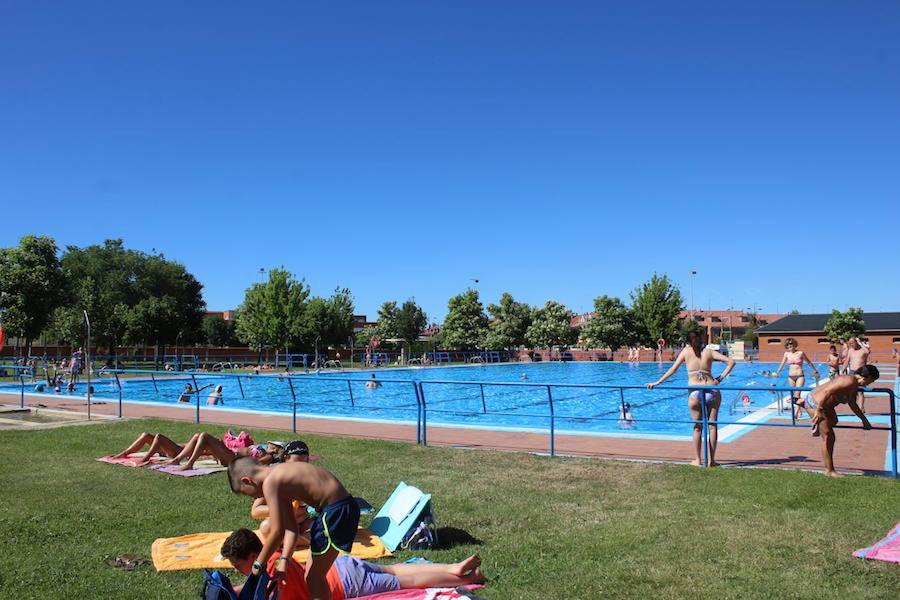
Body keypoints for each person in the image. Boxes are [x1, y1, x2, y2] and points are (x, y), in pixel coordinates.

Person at [220, 528, 485, 600]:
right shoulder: (273, 559)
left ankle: (468, 578)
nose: (235, 570)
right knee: (396, 569)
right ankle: (451, 567)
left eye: (236, 564)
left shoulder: (274, 576)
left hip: (347, 584)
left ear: (252, 558)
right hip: (340, 567)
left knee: (407, 581)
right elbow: (251, 585)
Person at [227, 457, 360, 600]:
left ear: (247, 481)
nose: (253, 498)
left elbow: (277, 532)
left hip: (336, 511)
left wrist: (258, 564)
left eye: (246, 493)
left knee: (314, 578)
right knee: (313, 577)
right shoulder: (278, 475)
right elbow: (290, 529)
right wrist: (284, 562)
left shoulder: (270, 482)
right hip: (339, 508)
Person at [646, 330, 736, 466]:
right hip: (712, 390)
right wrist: (719, 378)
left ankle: (698, 460)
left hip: (695, 392)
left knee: (697, 427)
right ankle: (712, 461)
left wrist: (658, 382)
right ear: (701, 339)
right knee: (712, 427)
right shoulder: (709, 352)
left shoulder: (686, 352)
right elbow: (731, 362)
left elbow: (673, 370)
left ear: (688, 341)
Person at [793, 365, 878, 477]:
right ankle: (829, 470)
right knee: (828, 436)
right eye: (872, 381)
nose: (870, 384)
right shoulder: (848, 380)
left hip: (827, 407)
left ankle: (814, 420)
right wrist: (818, 410)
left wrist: (864, 419)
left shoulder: (854, 385)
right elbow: (827, 391)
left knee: (834, 421)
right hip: (817, 404)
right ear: (867, 377)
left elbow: (852, 404)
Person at [252, 441, 313, 542]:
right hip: (281, 523)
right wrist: (283, 507)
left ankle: (294, 540)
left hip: (304, 522)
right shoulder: (274, 478)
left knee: (325, 527)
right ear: (286, 458)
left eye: (304, 464)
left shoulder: (310, 478)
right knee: (266, 527)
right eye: (296, 463)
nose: (300, 468)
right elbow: (255, 511)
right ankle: (301, 541)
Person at [773, 338, 820, 419]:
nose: (789, 345)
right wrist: (777, 372)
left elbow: (808, 362)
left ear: (795, 344)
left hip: (800, 376)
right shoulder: (786, 354)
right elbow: (782, 363)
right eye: (788, 344)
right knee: (795, 395)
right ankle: (799, 410)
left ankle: (795, 414)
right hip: (790, 377)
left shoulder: (801, 353)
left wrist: (815, 370)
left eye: (791, 344)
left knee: (797, 395)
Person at [842, 337, 871, 413]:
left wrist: (860, 342)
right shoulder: (850, 350)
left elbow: (868, 351)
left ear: (856, 342)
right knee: (851, 392)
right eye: (850, 343)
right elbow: (847, 361)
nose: (851, 345)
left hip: (861, 373)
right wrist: (843, 370)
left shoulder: (863, 350)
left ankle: (861, 408)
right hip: (852, 372)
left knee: (860, 392)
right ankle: (855, 407)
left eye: (852, 343)